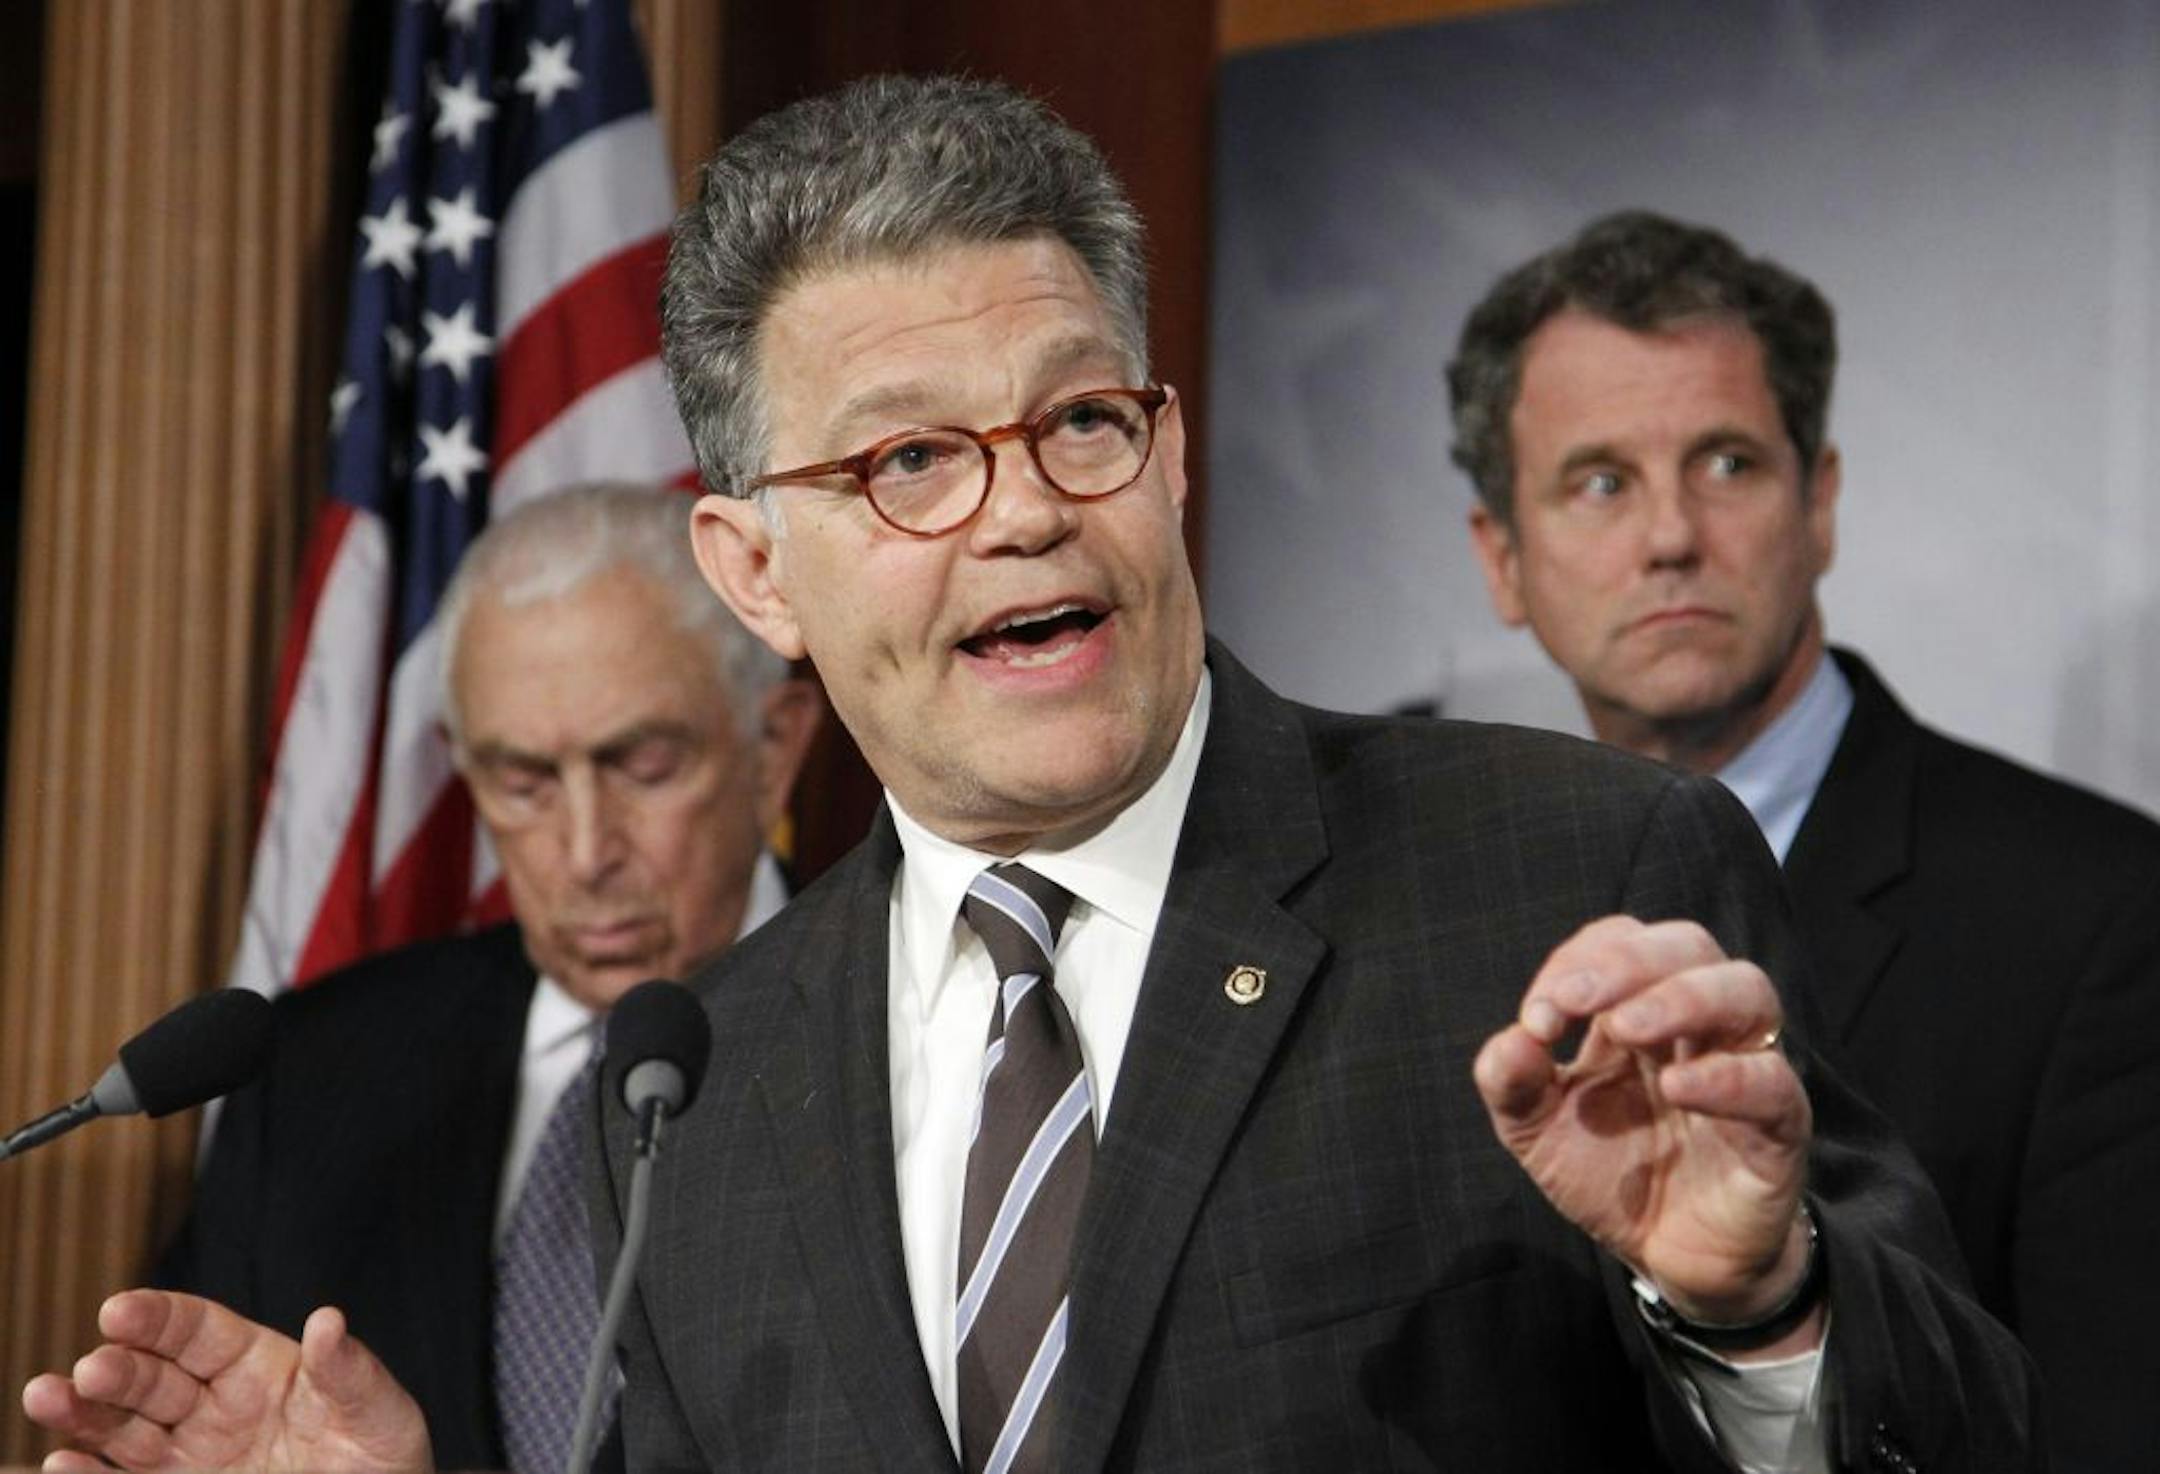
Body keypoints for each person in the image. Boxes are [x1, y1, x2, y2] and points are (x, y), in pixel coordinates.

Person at [27, 81, 2035, 1474]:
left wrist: (1761, 1309)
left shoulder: (1566, 874)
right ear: (753, 570)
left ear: (1166, 454)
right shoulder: (695, 1081)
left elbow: (1962, 1427)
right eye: (907, 460)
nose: (1024, 517)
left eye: (1077, 419)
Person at [1450, 209, 2160, 1470]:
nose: (1671, 535)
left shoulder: (2098, 912)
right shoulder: (1437, 922)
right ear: (1503, 558)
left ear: (1818, 502)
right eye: (1600, 481)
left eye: (1727, 463)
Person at [152, 482, 821, 1472]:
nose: (587, 851)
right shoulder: (311, 1074)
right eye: (524, 782)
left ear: (773, 747)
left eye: (640, 764)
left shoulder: (909, 1025)